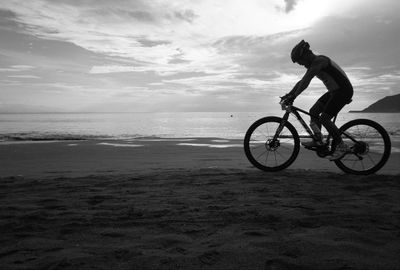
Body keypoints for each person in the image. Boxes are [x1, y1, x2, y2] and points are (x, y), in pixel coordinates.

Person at [282, 40, 353, 161]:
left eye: (301, 62)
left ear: (306, 55)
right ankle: (318, 139)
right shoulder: (313, 64)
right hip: (334, 92)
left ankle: (342, 146)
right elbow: (302, 81)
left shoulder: (320, 61)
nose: (302, 65)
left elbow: (306, 81)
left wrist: (293, 97)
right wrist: (289, 94)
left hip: (343, 91)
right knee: (314, 111)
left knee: (324, 118)